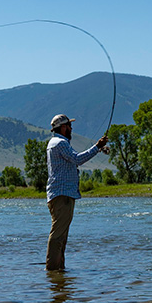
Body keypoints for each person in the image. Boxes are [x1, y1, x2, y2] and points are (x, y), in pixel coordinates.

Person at [45, 114, 108, 271]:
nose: (71, 129)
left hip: (61, 194)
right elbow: (77, 159)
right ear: (63, 127)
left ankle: (59, 273)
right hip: (62, 195)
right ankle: (52, 270)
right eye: (69, 126)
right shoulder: (60, 143)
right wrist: (97, 146)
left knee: (61, 236)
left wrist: (98, 148)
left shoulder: (55, 142)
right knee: (58, 235)